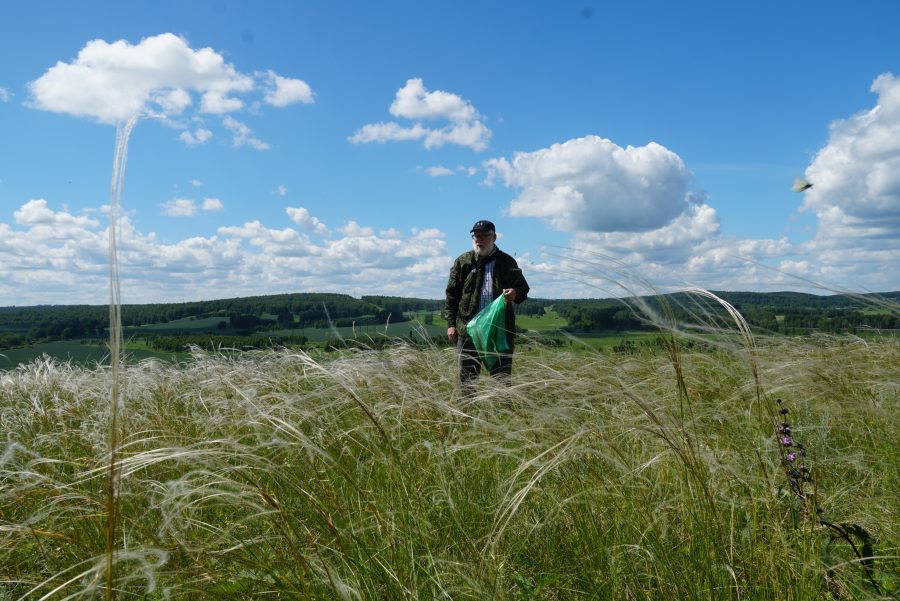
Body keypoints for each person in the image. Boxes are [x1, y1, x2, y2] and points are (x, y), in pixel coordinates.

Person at [444, 220, 530, 393]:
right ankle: (466, 416)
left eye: (484, 236)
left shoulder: (507, 262)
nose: (479, 239)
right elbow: (452, 294)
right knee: (467, 381)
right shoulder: (463, 262)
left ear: (494, 237)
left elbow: (523, 288)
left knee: (501, 381)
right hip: (468, 330)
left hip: (498, 331)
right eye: (476, 236)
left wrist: (515, 293)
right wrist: (451, 324)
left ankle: (501, 414)